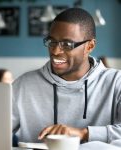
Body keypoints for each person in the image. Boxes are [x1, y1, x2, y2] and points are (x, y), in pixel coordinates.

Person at [12, 8, 121, 145]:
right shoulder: (24, 85)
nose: (56, 51)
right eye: (52, 42)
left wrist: (83, 133)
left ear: (90, 46)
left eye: (67, 44)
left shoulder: (116, 82)